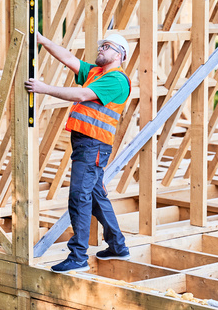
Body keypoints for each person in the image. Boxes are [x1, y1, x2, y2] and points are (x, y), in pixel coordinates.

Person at [25, 33, 131, 273]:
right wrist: (43, 41)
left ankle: (78, 257)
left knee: (79, 196)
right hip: (87, 144)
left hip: (93, 145)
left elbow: (82, 94)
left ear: (119, 55)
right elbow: (69, 58)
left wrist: (44, 88)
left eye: (107, 46)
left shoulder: (116, 79)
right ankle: (117, 246)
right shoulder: (96, 72)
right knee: (95, 196)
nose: (101, 49)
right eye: (100, 45)